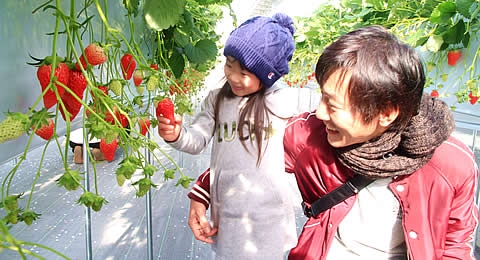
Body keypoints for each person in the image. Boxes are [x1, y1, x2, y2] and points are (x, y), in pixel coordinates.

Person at [283, 25, 479, 259]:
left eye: (333, 105)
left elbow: (455, 246)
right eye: (322, 97)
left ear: (386, 113)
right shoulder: (307, 136)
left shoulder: (450, 166)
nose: (321, 113)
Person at [157, 13, 300, 259]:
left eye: (244, 72)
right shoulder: (217, 99)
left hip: (270, 217)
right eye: (229, 64)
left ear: (268, 76)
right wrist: (177, 134)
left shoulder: (279, 102)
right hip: (229, 213)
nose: (233, 76)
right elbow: (197, 140)